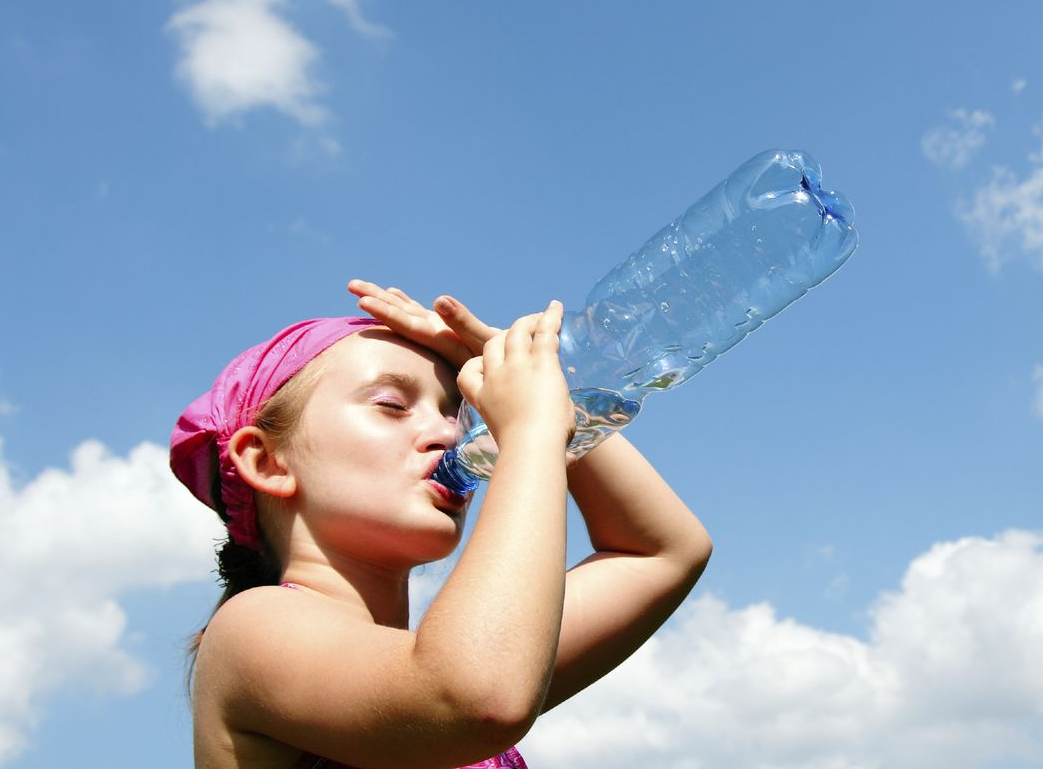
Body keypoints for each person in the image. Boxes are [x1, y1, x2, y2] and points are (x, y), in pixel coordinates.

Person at [172, 279, 712, 769]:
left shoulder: (469, 650)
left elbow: (662, 552)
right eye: (391, 404)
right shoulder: (251, 631)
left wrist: (546, 396)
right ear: (267, 461)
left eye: (458, 412)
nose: (450, 435)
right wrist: (530, 430)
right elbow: (472, 699)